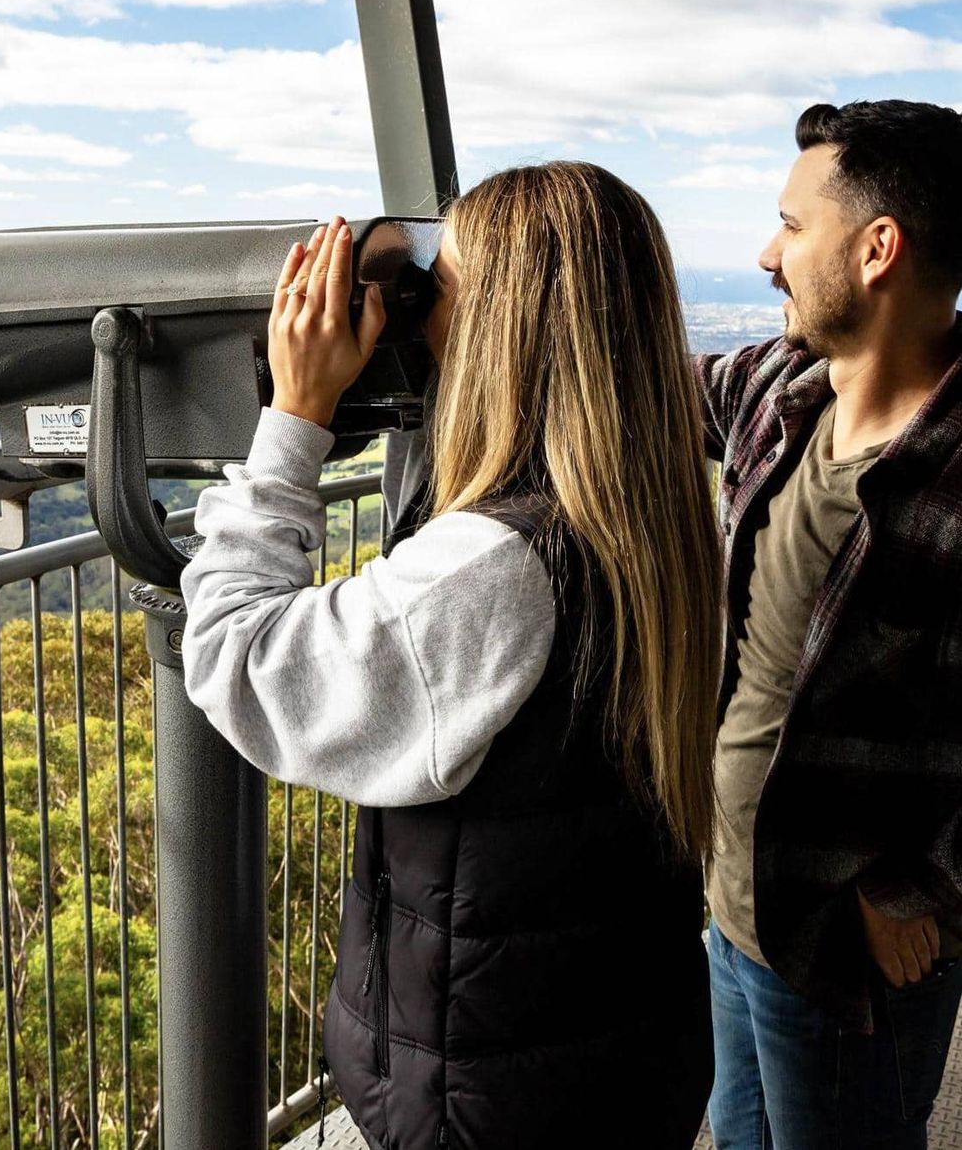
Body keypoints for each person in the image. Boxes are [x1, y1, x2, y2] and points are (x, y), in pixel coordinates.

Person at [181, 162, 722, 1149]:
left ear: (500, 325)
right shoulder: (649, 518)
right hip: (617, 1047)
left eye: (442, 287)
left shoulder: (498, 566)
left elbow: (240, 655)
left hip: (497, 1091)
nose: (422, 314)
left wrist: (293, 420)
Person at [699, 99, 962, 1150]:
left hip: (850, 952)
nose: (768, 255)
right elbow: (633, 389)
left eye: (791, 226)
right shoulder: (782, 385)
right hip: (733, 910)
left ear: (875, 248)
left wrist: (923, 885)